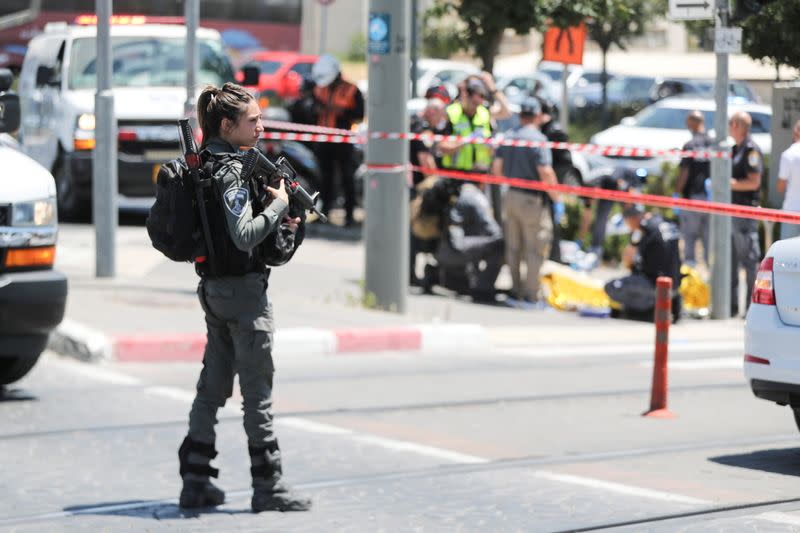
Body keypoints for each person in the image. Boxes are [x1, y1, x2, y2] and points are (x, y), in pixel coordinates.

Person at [178, 83, 311, 513]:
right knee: (258, 394)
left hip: (215, 291)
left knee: (212, 389)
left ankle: (195, 482)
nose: (260, 126)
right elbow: (245, 235)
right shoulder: (231, 173)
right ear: (227, 125)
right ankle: (268, 486)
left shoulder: (211, 163)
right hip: (243, 296)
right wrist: (279, 206)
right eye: (252, 120)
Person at [492, 97, 559, 306]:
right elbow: (545, 172)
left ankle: (515, 290)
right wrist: (557, 198)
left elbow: (496, 170)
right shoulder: (538, 139)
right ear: (538, 115)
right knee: (534, 249)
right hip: (531, 199)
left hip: (510, 195)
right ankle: (531, 295)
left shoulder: (509, 137)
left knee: (513, 247)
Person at [311, 54, 364, 226]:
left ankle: (349, 216)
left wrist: (339, 111)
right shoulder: (320, 87)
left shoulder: (352, 90)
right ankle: (324, 213)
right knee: (325, 178)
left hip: (343, 141)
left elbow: (359, 116)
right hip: (324, 140)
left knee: (346, 177)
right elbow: (311, 109)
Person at [605, 204, 682, 322]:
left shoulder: (645, 228)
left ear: (632, 219)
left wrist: (633, 242)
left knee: (611, 286)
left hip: (657, 287)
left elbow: (629, 260)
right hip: (675, 285)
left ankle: (646, 310)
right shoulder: (665, 222)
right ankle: (668, 302)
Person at [434, 180, 505, 303]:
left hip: (438, 249)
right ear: (483, 181)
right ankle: (483, 288)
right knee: (499, 244)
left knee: (478, 239)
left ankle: (463, 279)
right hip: (454, 251)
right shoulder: (475, 197)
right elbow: (493, 230)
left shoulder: (456, 191)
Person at [728, 110, 763, 316]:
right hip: (733, 211)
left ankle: (753, 307)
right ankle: (732, 306)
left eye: (732, 123)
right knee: (731, 261)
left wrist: (729, 184)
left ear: (739, 126)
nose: (729, 126)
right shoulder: (736, 149)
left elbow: (754, 182)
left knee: (749, 261)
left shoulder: (751, 150)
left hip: (745, 211)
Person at [579, 166, 648, 262]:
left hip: (605, 185)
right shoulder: (619, 174)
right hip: (603, 186)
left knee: (598, 216)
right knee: (600, 218)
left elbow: (621, 184)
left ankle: (592, 247)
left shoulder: (618, 175)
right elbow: (587, 216)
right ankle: (594, 248)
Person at [536, 96, 571, 263]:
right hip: (544, 185)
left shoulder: (554, 132)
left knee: (551, 224)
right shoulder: (543, 130)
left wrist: (553, 186)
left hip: (549, 185)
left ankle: (554, 258)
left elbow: (564, 163)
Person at [675, 110, 712, 267]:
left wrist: (677, 193)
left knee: (689, 237)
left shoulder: (689, 145)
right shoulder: (714, 143)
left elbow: (685, 172)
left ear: (695, 123)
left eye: (689, 123)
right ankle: (712, 278)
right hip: (711, 200)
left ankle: (691, 276)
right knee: (708, 240)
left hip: (692, 198)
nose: (687, 126)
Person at [777, 120, 800, 240]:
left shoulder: (788, 154)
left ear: (795, 132)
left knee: (788, 255)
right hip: (791, 211)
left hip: (791, 211)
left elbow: (781, 187)